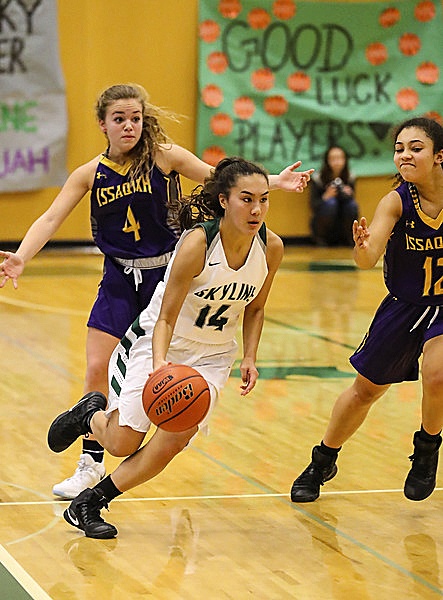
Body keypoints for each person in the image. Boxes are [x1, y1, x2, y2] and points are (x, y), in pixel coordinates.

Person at [0, 83, 313, 500]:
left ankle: (113, 442)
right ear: (102, 124)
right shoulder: (90, 173)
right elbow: (51, 217)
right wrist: (21, 256)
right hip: (118, 277)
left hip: (164, 274)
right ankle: (90, 463)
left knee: (141, 369)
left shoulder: (165, 155)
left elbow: (219, 179)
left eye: (135, 118)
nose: (129, 126)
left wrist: (275, 181)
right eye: (119, 119)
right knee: (97, 368)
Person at [47, 157, 284, 539]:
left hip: (212, 356)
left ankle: (90, 503)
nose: (256, 209)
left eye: (264, 199)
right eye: (246, 199)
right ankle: (89, 414)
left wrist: (250, 356)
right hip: (157, 342)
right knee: (122, 443)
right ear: (224, 200)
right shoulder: (197, 244)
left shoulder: (271, 247)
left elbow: (255, 307)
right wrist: (160, 364)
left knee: (173, 439)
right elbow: (165, 318)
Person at [291, 117, 443, 504]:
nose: (404, 155)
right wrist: (361, 246)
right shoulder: (395, 201)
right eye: (399, 148)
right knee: (365, 391)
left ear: (439, 155)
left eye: (415, 148)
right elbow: (367, 258)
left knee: (438, 373)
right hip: (405, 306)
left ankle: (426, 450)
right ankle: (323, 459)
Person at [309, 145, 358, 246]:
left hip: (342, 221)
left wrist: (348, 193)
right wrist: (326, 196)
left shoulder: (350, 177)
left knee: (352, 205)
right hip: (323, 222)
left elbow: (352, 206)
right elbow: (313, 205)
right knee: (331, 203)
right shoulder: (318, 179)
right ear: (327, 161)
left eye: (340, 158)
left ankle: (350, 237)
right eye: (333, 159)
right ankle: (322, 239)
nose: (337, 162)